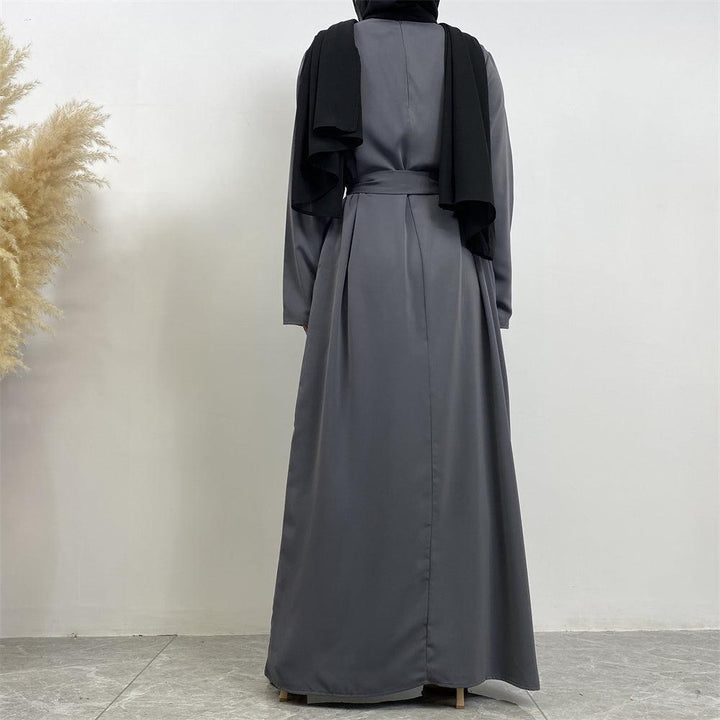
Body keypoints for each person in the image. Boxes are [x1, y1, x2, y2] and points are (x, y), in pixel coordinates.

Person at [265, 0, 540, 706]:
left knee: (348, 460)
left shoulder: (332, 50)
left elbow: (307, 188)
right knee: (454, 463)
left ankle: (334, 659)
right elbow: (497, 189)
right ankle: (451, 660)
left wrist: (305, 295)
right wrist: (496, 293)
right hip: (454, 263)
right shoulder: (472, 58)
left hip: (360, 254)